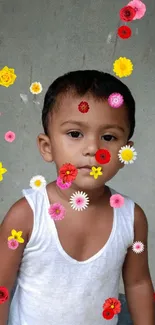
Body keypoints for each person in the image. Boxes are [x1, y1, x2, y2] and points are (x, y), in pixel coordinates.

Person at [0, 70, 154, 325]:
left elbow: (138, 284)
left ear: (126, 152)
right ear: (47, 147)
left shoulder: (132, 218)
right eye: (75, 134)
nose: (93, 148)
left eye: (109, 137)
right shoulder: (26, 216)